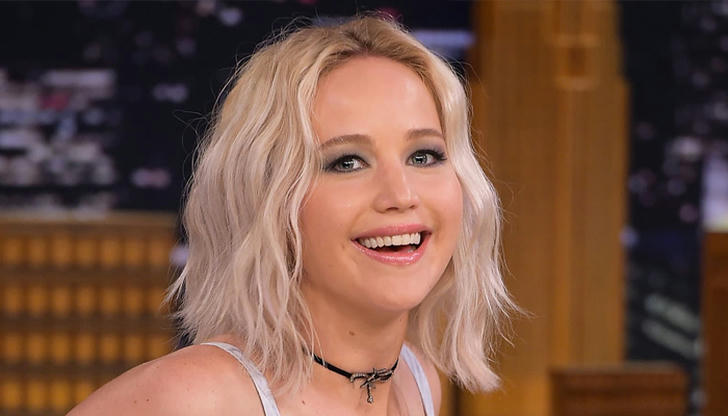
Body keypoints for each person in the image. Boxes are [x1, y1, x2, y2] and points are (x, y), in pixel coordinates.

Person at [67, 15, 513, 416]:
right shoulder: (195, 398)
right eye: (347, 162)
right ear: (269, 198)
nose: (401, 194)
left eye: (424, 155)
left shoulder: (417, 382)